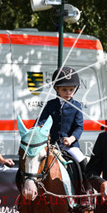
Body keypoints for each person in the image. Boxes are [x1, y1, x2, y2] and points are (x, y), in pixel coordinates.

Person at [36, 66, 92, 204]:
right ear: (57, 89)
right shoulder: (50, 105)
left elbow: (79, 127)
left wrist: (71, 139)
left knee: (83, 162)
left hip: (70, 146)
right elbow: (41, 122)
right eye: (64, 90)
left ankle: (85, 192)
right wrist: (38, 129)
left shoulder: (77, 106)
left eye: (71, 90)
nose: (68, 93)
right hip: (51, 145)